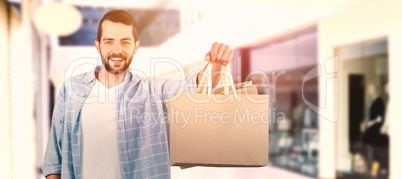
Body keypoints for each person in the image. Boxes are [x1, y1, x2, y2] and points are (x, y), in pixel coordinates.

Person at [41, 10, 233, 179]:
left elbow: (194, 87)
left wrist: (215, 66)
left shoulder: (153, 90)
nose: (117, 50)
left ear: (136, 47)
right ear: (98, 46)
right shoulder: (72, 88)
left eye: (125, 42)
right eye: (109, 41)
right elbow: (54, 158)